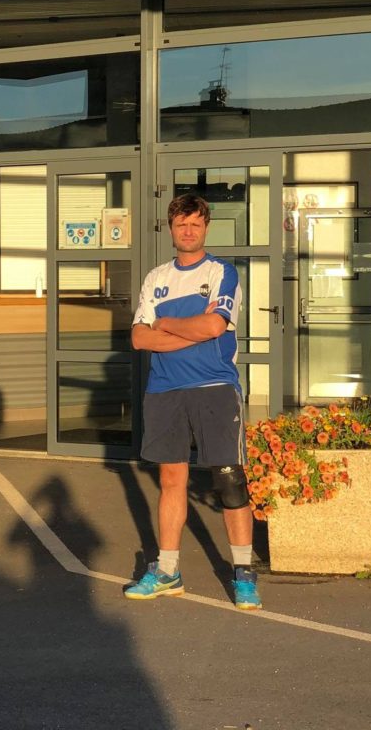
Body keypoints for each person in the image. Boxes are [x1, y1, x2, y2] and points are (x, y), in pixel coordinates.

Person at [127, 194, 261, 610]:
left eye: (195, 224)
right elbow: (139, 338)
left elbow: (214, 326)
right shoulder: (156, 277)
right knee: (171, 481)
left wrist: (165, 324)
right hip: (164, 390)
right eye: (181, 224)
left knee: (229, 479)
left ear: (206, 227)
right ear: (170, 228)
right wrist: (190, 330)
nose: (188, 231)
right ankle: (168, 571)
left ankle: (243, 573)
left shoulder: (221, 272)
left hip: (214, 387)